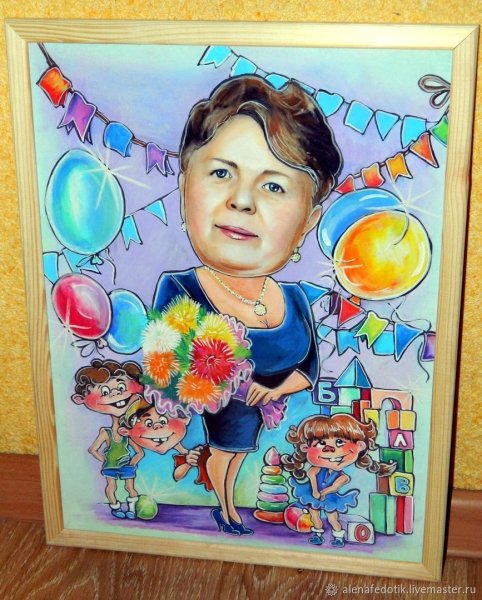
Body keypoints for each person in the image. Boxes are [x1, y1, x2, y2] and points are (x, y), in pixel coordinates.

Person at [152, 75, 342, 535]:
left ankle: (229, 503)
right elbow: (167, 372)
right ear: (184, 188)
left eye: (273, 187)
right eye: (221, 173)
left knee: (238, 456)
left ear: (307, 222)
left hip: (266, 419)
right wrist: (226, 382)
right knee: (226, 454)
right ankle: (226, 508)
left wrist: (274, 392)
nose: (240, 201)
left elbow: (310, 368)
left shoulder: (295, 299)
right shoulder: (180, 291)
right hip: (221, 415)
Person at [281, 414, 396, 547]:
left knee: (332, 518)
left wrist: (322, 493)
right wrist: (315, 491)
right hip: (314, 495)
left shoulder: (343, 477)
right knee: (314, 516)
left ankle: (338, 536)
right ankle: (317, 535)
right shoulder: (317, 468)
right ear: (305, 448)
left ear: (359, 446)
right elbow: (311, 475)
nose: (330, 449)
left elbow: (335, 487)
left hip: (330, 498)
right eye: (321, 443)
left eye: (340, 442)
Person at [72, 359, 145, 519]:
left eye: (121, 387)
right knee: (111, 487)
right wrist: (105, 460)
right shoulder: (106, 433)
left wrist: (132, 463)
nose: (116, 394)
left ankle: (131, 509)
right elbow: (93, 449)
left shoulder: (128, 432)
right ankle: (115, 507)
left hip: (126, 466)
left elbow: (139, 452)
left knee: (130, 487)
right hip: (110, 466)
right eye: (105, 392)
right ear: (81, 398)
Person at [119, 397, 213, 491]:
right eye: (148, 423)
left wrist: (192, 461)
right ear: (125, 431)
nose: (157, 426)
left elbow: (178, 474)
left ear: (185, 419)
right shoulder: (132, 450)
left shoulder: (195, 447)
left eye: (163, 420)